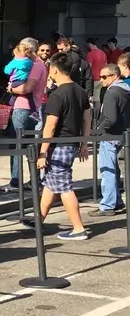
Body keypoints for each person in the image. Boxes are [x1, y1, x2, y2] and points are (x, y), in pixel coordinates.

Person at [32, 52, 92, 241]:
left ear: (55, 69)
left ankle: (78, 228)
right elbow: (87, 118)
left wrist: (42, 152)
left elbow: (50, 126)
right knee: (51, 183)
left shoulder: (57, 94)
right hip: (72, 142)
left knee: (63, 186)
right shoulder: (80, 91)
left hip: (59, 144)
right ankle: (38, 220)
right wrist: (84, 143)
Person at [4, 37, 48, 193]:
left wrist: (11, 89)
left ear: (28, 50)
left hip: (23, 108)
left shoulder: (36, 65)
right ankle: (34, 181)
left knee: (17, 145)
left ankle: (16, 182)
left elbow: (26, 88)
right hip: (31, 108)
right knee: (29, 145)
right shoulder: (35, 65)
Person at [90, 63, 130, 217]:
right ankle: (116, 201)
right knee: (116, 170)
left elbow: (110, 118)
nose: (102, 80)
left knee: (108, 170)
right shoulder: (125, 90)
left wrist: (99, 130)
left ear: (115, 76)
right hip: (122, 134)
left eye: (105, 77)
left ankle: (107, 204)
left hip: (110, 135)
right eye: (100, 77)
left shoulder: (112, 92)